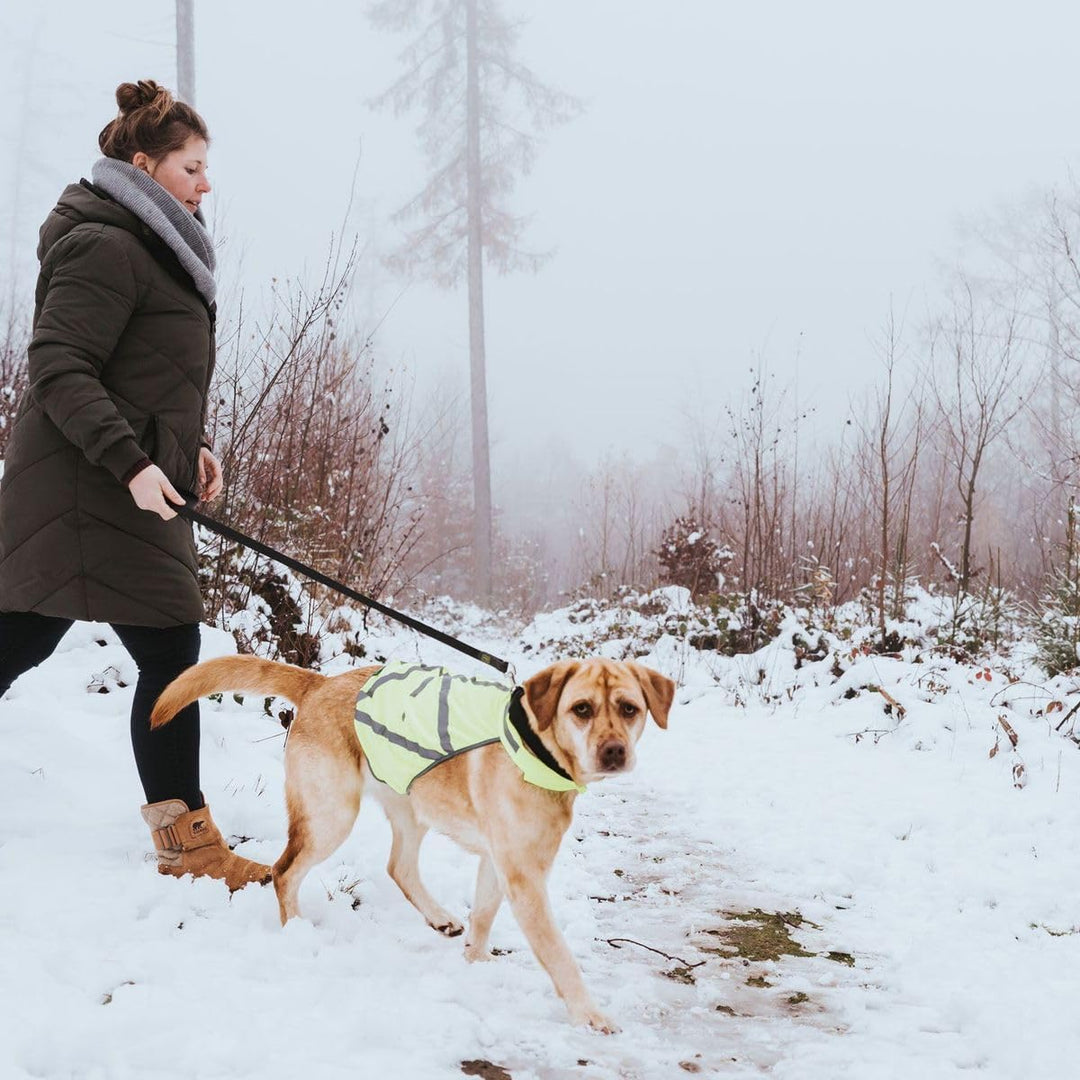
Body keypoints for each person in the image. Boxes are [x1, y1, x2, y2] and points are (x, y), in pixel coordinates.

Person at [0, 79, 269, 892]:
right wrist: (134, 462)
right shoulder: (106, 244)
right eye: (191, 167)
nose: (206, 182)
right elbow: (57, 366)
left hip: (112, 481)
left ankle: (186, 842)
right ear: (143, 165)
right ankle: (188, 845)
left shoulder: (150, 243)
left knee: (23, 637)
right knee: (169, 650)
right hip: (90, 487)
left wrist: (192, 448)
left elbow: (146, 372)